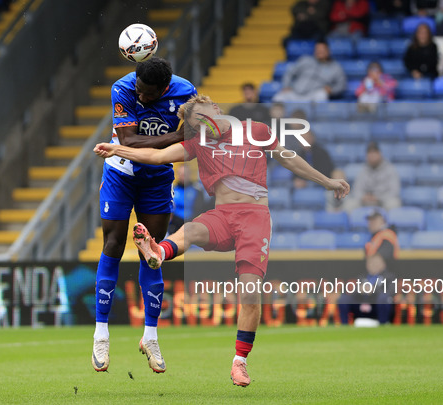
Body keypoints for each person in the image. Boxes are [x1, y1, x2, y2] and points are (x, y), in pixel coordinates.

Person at [94, 95, 350, 386]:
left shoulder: (257, 131)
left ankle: (239, 362)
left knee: (251, 294)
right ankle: (158, 252)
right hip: (223, 215)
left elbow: (289, 159)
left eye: (203, 117)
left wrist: (328, 182)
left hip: (254, 218)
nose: (202, 126)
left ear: (216, 108)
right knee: (190, 230)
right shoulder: (199, 142)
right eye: (196, 124)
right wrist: (118, 148)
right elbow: (157, 156)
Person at [91, 57, 197, 374]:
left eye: (148, 93)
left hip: (157, 180)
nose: (140, 96)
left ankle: (150, 337)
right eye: (138, 88)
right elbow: (128, 141)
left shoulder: (186, 92)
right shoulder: (123, 87)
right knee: (112, 243)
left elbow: (193, 139)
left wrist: (177, 140)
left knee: (152, 250)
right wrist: (177, 136)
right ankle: (101, 335)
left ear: (163, 89)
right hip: (119, 174)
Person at [273, 40, 347, 103]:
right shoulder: (305, 60)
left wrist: (331, 90)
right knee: (278, 98)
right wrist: (286, 86)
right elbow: (289, 73)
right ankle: (277, 120)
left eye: (322, 50)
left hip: (313, 95)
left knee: (322, 95)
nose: (319, 52)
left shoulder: (335, 67)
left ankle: (316, 120)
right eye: (317, 50)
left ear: (328, 51)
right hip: (295, 93)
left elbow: (341, 85)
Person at [337, 252, 395, 325]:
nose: (374, 265)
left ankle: (383, 324)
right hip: (362, 304)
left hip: (376, 305)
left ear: (383, 264)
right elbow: (352, 293)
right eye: (371, 263)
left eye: (376, 263)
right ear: (367, 265)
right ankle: (344, 325)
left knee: (383, 298)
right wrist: (359, 290)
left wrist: (374, 290)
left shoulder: (389, 277)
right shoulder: (362, 277)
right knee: (344, 299)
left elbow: (391, 292)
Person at [343, 142, 401, 212]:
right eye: (369, 153)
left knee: (393, 203)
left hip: (382, 201)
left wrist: (378, 198)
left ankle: (387, 223)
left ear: (380, 154)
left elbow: (394, 191)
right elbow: (357, 190)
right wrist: (363, 197)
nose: (372, 156)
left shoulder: (390, 169)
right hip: (365, 201)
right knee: (349, 204)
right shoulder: (363, 170)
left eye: (374, 153)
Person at [168, 164, 197, 234]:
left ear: (189, 174)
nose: (183, 177)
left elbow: (200, 211)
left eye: (185, 174)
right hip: (174, 228)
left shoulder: (197, 191)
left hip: (191, 228)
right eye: (181, 174)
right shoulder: (172, 190)